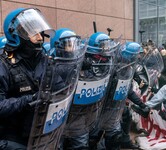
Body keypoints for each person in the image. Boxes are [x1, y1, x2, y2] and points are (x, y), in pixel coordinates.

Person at [0, 8, 58, 149]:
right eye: (33, 33)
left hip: (43, 132)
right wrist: (29, 100)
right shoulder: (4, 64)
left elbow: (60, 88)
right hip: (13, 137)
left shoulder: (44, 60)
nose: (39, 38)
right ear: (17, 35)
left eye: (40, 32)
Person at [61, 32, 120, 149]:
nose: (107, 48)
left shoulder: (108, 62)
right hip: (74, 114)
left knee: (93, 140)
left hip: (94, 110)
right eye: (104, 45)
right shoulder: (84, 61)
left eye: (108, 45)